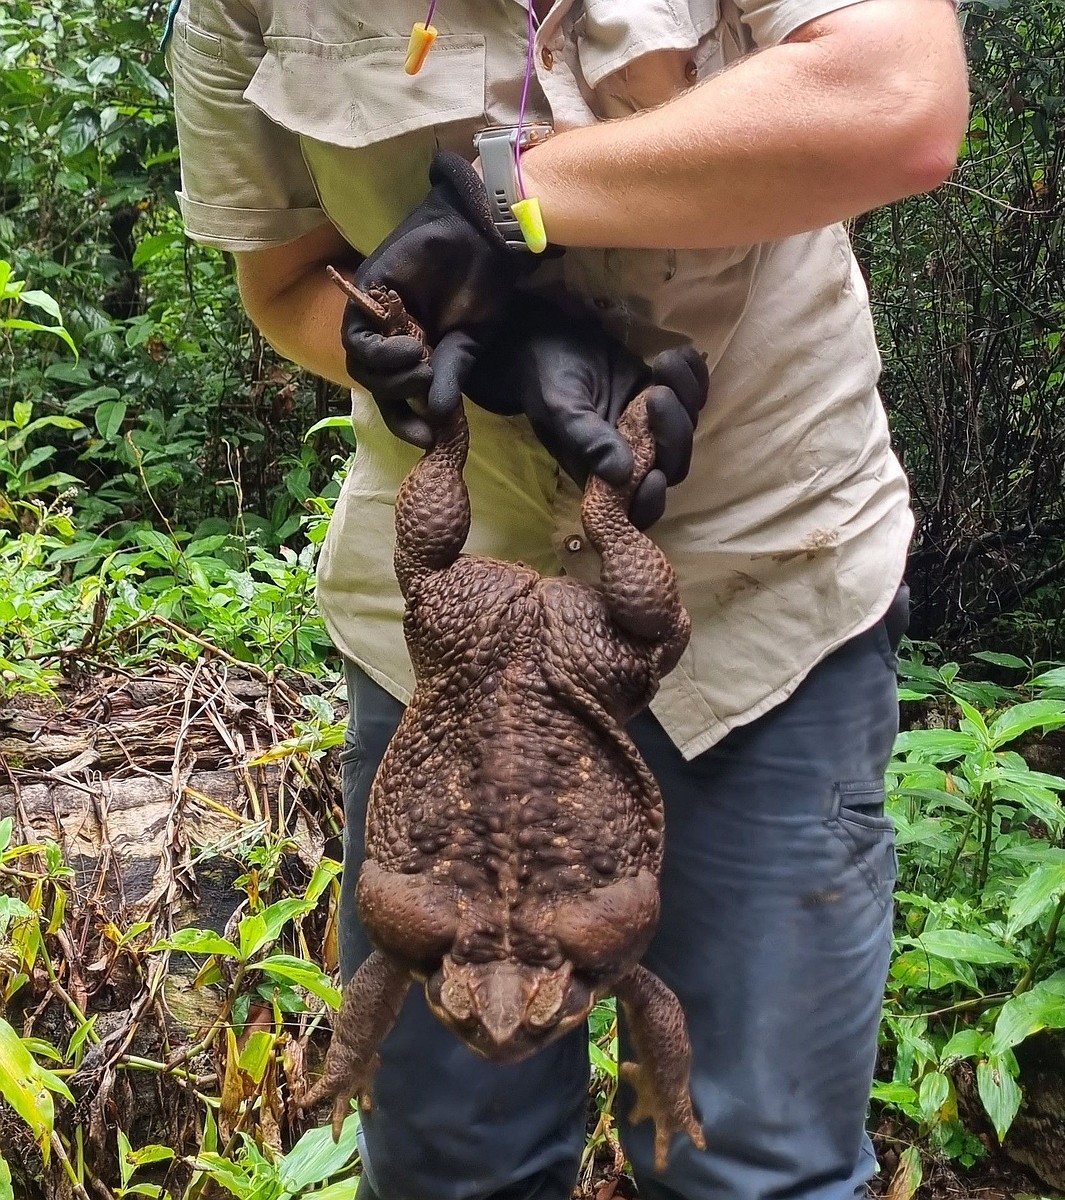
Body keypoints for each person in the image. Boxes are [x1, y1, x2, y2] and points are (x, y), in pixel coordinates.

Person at [166, 2, 968, 1198]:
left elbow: (898, 106)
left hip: (758, 590)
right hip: (448, 629)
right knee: (451, 1164)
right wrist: (407, 347)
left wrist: (508, 197)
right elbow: (282, 282)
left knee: (755, 1167)